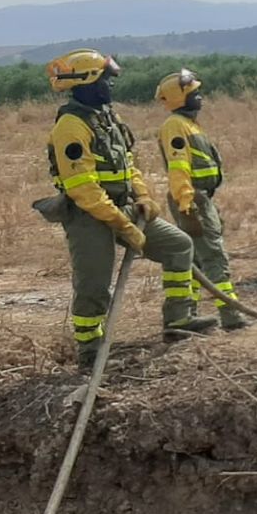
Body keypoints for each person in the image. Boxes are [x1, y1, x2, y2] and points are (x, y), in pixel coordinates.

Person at [43, 49, 214, 372]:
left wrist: (143, 197)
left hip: (124, 209)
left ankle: (179, 319)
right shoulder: (71, 126)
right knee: (93, 285)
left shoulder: (109, 118)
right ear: (88, 83)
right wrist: (122, 225)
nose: (111, 86)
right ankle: (90, 352)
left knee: (179, 246)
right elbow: (83, 188)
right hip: (88, 216)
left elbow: (129, 164)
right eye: (106, 79)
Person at [156, 69, 247, 331]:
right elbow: (178, 168)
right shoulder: (175, 126)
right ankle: (231, 315)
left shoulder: (189, 124)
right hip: (193, 198)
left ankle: (187, 315)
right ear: (179, 98)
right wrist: (188, 205)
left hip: (201, 198)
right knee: (214, 257)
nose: (200, 97)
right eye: (194, 92)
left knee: (195, 259)